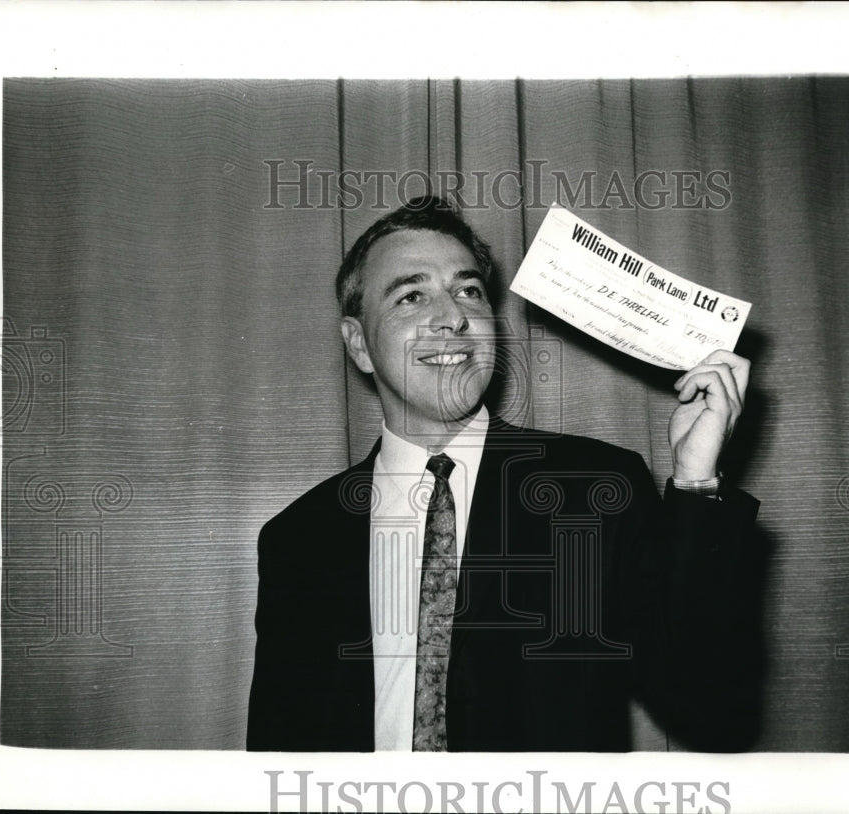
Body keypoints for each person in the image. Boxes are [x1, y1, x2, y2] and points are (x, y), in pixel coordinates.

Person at [247, 196, 761, 752]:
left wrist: (696, 483)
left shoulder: (592, 490)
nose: (453, 316)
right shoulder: (297, 538)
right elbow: (277, 751)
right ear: (359, 344)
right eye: (412, 296)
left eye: (467, 290)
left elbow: (712, 711)